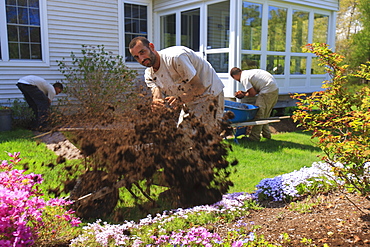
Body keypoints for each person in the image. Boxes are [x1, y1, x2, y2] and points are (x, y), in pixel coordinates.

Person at [128, 37, 225, 133]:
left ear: (151, 47)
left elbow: (199, 87)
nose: (141, 59)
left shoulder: (176, 58)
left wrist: (179, 99)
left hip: (210, 95)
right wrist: (157, 102)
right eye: (136, 57)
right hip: (189, 101)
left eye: (142, 52)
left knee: (205, 139)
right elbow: (156, 94)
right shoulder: (149, 75)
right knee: (182, 138)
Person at [230, 67, 279, 141]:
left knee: (259, 114)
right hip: (274, 89)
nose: (237, 80)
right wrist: (244, 93)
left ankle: (254, 137)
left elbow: (252, 93)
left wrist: (242, 95)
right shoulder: (247, 73)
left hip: (267, 91)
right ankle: (267, 135)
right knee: (264, 115)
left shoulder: (244, 78)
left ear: (234, 76)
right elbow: (254, 91)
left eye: (235, 79)